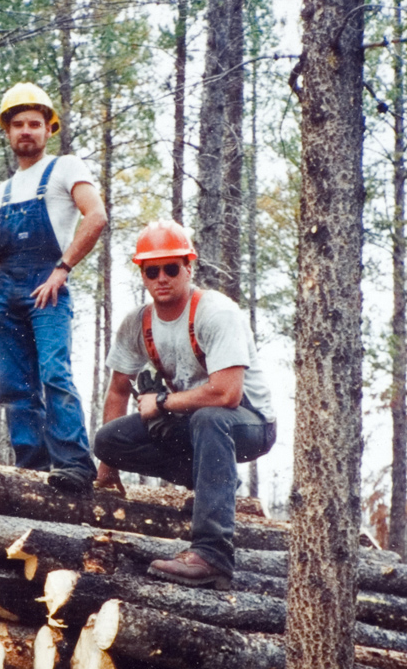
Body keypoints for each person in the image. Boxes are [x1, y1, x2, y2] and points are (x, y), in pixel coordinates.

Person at [94, 220, 276, 589]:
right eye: (152, 270)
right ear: (143, 274)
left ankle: (212, 556)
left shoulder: (215, 313)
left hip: (249, 424)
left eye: (171, 268)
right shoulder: (137, 323)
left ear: (188, 267)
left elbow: (228, 394)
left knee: (210, 419)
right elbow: (117, 390)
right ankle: (212, 484)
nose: (162, 277)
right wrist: (107, 470)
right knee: (109, 441)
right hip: (194, 419)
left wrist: (163, 402)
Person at [0, 82, 107, 493]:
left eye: (35, 123)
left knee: (54, 373)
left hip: (45, 291)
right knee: (15, 386)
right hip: (5, 296)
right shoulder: (3, 190)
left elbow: (96, 216)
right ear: (8, 131)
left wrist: (62, 269)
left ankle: (74, 464)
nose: (26, 131)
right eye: (18, 124)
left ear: (49, 129)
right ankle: (31, 467)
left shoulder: (65, 168)